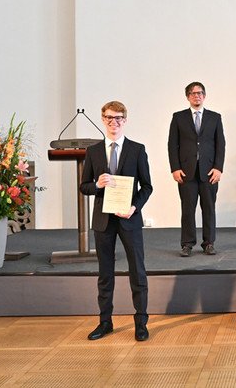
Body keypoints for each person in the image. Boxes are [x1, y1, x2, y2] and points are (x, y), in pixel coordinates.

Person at [80, 101, 153, 341]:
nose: (114, 122)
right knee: (105, 274)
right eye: (110, 117)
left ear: (125, 120)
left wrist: (134, 207)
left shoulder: (137, 149)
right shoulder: (93, 151)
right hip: (103, 220)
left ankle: (141, 323)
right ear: (102, 119)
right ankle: (105, 322)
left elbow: (147, 187)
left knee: (137, 271)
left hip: (129, 218)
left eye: (119, 117)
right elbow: (84, 186)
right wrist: (97, 185)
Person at [168, 81, 226, 257]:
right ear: (187, 97)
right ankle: (187, 244)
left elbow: (220, 144)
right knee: (187, 209)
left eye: (200, 93)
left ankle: (209, 242)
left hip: (209, 172)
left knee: (209, 208)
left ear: (205, 96)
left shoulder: (215, 118)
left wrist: (218, 168)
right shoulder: (178, 117)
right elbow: (172, 145)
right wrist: (175, 168)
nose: (197, 96)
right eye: (193, 93)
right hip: (186, 172)